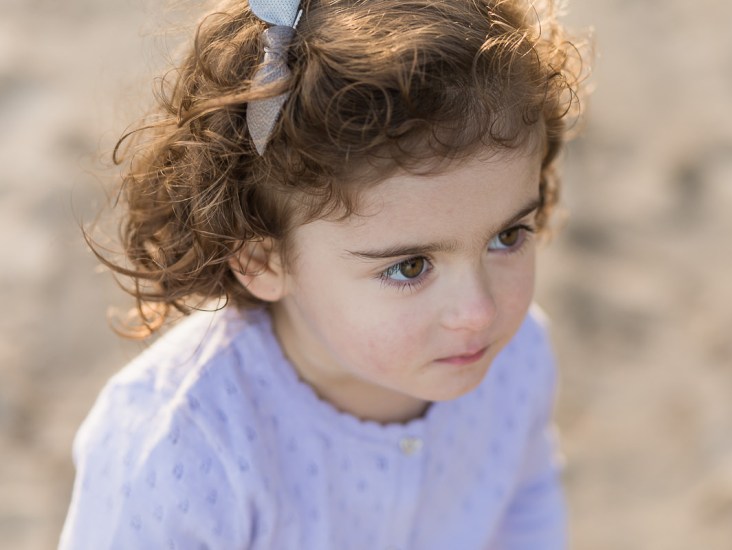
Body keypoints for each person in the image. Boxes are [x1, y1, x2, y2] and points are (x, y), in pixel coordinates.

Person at [59, 0, 585, 548]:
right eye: (410, 267)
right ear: (262, 259)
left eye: (507, 236)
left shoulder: (516, 357)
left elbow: (525, 503)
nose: (480, 311)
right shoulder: (180, 448)